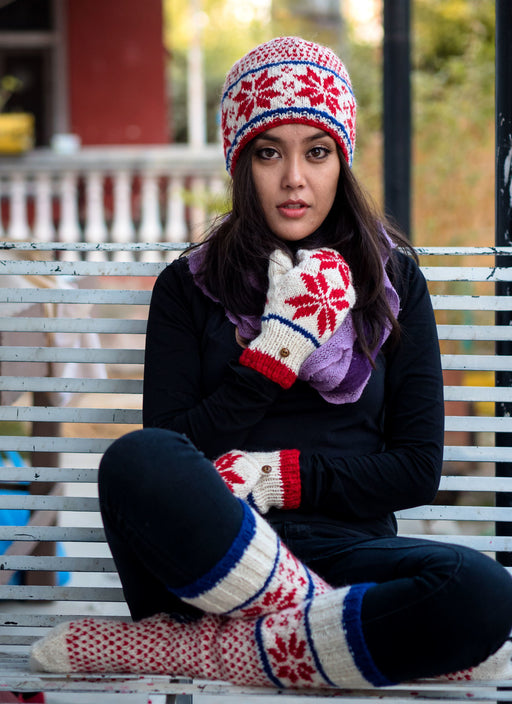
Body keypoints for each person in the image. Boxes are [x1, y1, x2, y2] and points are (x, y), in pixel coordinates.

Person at [30, 36, 512, 689]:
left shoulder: (394, 280)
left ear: (341, 160)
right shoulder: (187, 286)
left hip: (348, 552)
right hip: (207, 551)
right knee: (135, 459)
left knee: (482, 590)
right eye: (268, 152)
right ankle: (332, 638)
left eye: (316, 152)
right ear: (240, 162)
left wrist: (281, 478)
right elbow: (170, 454)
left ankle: (190, 649)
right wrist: (278, 351)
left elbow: (416, 470)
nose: (294, 178)